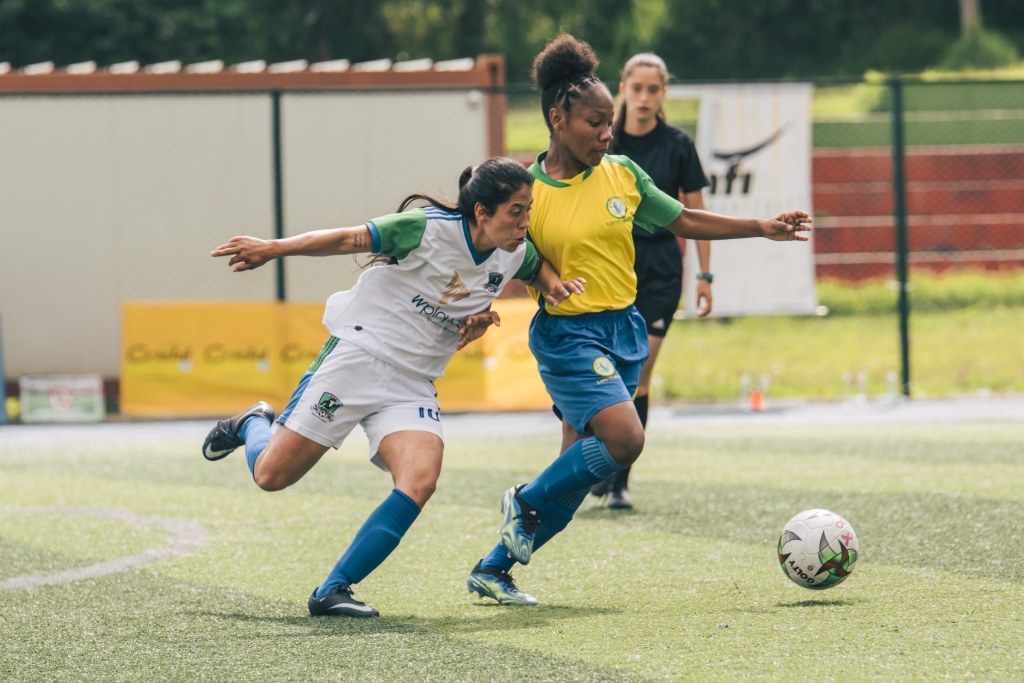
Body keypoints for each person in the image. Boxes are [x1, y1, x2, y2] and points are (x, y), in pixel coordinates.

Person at [466, 34, 810, 607]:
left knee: (573, 479)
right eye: (596, 122)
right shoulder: (527, 190)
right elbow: (499, 253)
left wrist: (761, 226)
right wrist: (478, 306)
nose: (607, 132)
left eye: (610, 122)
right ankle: (523, 501)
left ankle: (494, 568)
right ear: (558, 119)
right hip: (568, 335)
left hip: (623, 329)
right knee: (626, 439)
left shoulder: (623, 173)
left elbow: (684, 220)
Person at [201, 157, 585, 618]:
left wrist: (549, 286)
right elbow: (347, 238)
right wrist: (274, 248)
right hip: (358, 358)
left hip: (413, 382)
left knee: (420, 480)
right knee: (271, 476)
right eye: (516, 211)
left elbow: (533, 267)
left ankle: (332, 590)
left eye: (529, 210)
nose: (526, 223)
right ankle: (253, 422)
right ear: (481, 211)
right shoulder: (425, 227)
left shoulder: (515, 252)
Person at [589, 52, 712, 510]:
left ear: (664, 93)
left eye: (653, 89)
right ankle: (598, 461)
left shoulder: (678, 144)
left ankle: (619, 480)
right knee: (603, 375)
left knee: (638, 375)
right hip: (608, 264)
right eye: (635, 88)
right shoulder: (601, 138)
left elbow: (694, 215)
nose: (643, 97)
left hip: (660, 269)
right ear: (621, 88)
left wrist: (706, 275)